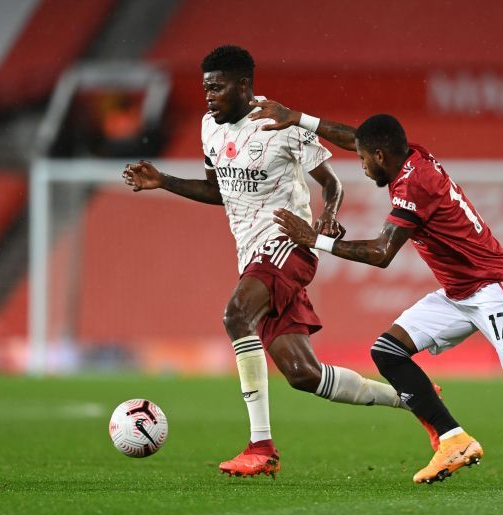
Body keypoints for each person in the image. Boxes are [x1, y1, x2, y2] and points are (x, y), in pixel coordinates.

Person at [252, 100, 503, 490]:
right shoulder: (409, 157)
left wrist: (314, 240)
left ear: (379, 155)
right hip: (460, 293)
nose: (359, 163)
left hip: (495, 287)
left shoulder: (414, 184)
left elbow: (381, 254)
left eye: (361, 158)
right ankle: (453, 440)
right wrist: (299, 119)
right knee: (387, 351)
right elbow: (357, 136)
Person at [121, 45, 431, 478]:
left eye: (217, 87)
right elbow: (219, 191)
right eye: (205, 88)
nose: (209, 96)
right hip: (251, 254)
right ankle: (416, 398)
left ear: (243, 85)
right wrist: (164, 181)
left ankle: (260, 446)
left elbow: (333, 182)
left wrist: (326, 214)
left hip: (289, 245)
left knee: (235, 315)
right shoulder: (210, 127)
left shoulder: (281, 125)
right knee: (304, 375)